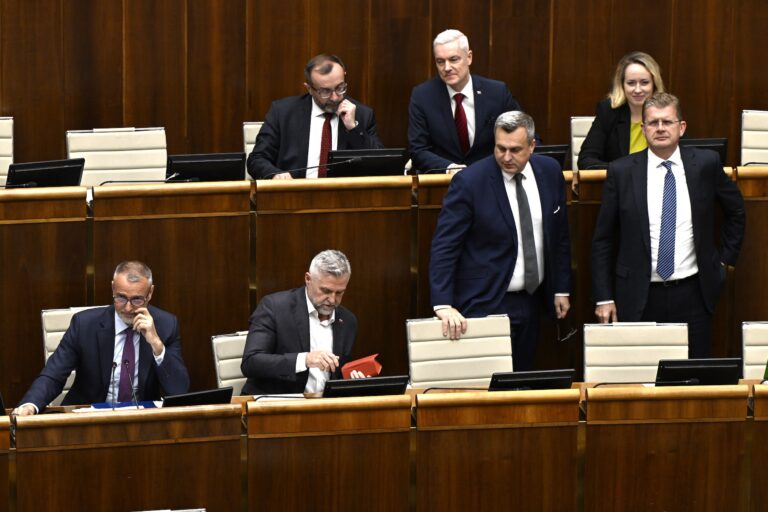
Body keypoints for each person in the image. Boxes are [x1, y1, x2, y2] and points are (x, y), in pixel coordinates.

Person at [591, 92, 745, 357]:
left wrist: (723, 263)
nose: (660, 128)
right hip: (638, 294)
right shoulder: (622, 171)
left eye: (667, 122)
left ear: (681, 127)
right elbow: (603, 239)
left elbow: (736, 211)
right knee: (640, 379)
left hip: (694, 292)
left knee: (692, 377)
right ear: (643, 128)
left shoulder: (705, 164)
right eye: (653, 123)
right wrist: (604, 296)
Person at [429, 111, 572, 371]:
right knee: (489, 384)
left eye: (515, 150)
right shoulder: (470, 182)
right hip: (486, 299)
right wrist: (443, 304)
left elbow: (559, 236)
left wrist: (561, 287)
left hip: (534, 300)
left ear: (532, 146)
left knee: (524, 378)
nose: (506, 157)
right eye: (500, 148)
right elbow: (445, 246)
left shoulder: (550, 172)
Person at [13, 261, 190, 415]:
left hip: (141, 424)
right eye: (121, 298)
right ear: (113, 287)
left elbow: (179, 390)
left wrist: (156, 344)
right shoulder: (84, 325)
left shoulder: (166, 325)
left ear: (150, 293)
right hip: (90, 419)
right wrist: (30, 404)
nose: (128, 308)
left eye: (137, 300)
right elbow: (54, 374)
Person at [408, 29, 532, 174]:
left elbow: (525, 134)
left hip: (491, 178)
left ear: (469, 57)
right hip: (444, 183)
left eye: (454, 59)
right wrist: (450, 168)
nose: (446, 68)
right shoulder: (423, 96)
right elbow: (418, 150)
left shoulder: (497, 92)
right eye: (440, 62)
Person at [240, 250, 364, 395]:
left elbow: (337, 374)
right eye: (325, 290)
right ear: (308, 279)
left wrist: (352, 380)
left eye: (339, 293)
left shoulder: (347, 320)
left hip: (326, 408)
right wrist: (305, 359)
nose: (332, 299)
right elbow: (251, 363)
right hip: (276, 406)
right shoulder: (275, 307)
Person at [247, 54, 384, 179]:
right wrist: (275, 174)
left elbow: (380, 164)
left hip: (344, 199)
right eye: (325, 91)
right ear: (309, 88)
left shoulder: (362, 114)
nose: (335, 97)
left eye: (340, 87)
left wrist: (354, 128)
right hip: (294, 197)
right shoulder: (283, 112)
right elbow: (257, 159)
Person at [578, 51, 665, 171]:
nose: (638, 90)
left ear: (654, 85)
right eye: (631, 83)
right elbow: (586, 160)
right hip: (619, 186)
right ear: (622, 85)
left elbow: (684, 156)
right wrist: (622, 173)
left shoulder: (667, 111)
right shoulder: (608, 112)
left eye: (644, 83)